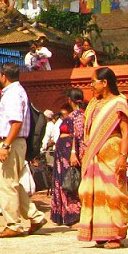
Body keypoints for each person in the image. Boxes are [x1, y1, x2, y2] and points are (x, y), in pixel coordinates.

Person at [0, 62, 45, 238]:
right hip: (12, 141)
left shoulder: (14, 94)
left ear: (3, 76)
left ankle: (13, 224)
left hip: (11, 141)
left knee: (6, 185)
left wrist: (7, 145)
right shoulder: (13, 93)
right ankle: (35, 216)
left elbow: (16, 122)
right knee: (13, 183)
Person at [78, 67, 128, 248]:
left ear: (105, 83)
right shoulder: (93, 103)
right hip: (93, 154)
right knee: (90, 192)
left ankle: (115, 235)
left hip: (112, 154)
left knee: (113, 193)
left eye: (93, 81)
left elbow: (126, 132)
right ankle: (99, 232)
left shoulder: (119, 103)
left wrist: (123, 157)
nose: (91, 85)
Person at [51, 89, 86, 227]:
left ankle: (74, 215)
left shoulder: (78, 116)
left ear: (70, 100)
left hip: (69, 154)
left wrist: (73, 152)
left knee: (71, 182)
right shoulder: (75, 115)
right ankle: (65, 214)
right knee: (65, 181)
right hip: (62, 154)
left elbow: (77, 136)